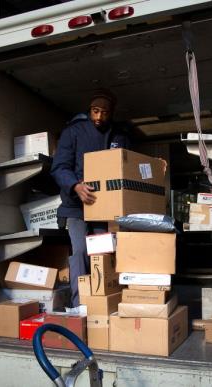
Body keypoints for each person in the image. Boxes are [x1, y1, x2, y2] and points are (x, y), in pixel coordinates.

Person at [51, 89, 130, 307]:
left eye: (104, 112)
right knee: (81, 252)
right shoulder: (73, 132)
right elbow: (59, 167)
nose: (99, 117)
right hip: (76, 205)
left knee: (103, 251)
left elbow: (126, 166)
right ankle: (80, 306)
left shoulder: (119, 135)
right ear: (89, 110)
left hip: (104, 207)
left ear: (111, 113)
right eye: (95, 111)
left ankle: (105, 301)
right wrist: (75, 186)